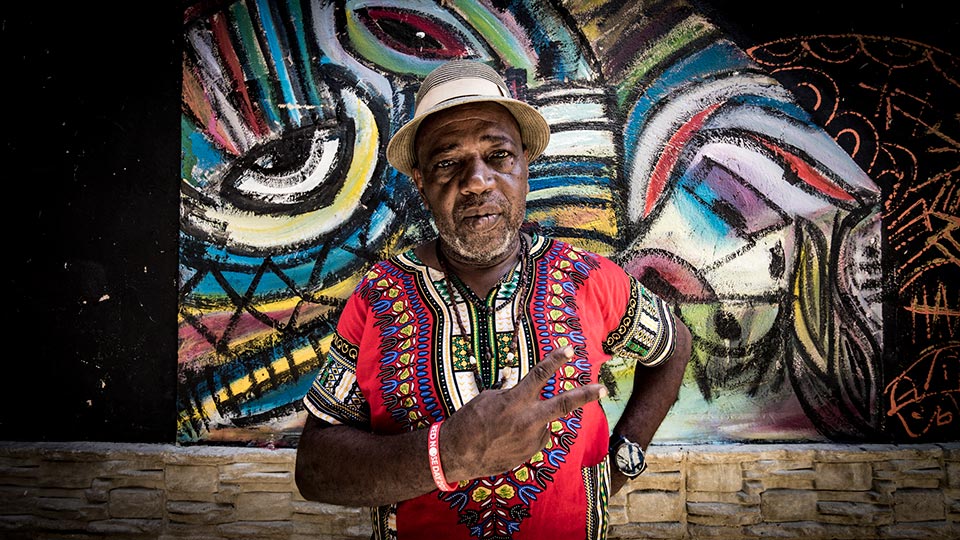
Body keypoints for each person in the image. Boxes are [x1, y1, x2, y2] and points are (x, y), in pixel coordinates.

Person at [295, 59, 692, 539]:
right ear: (421, 181)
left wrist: (624, 459)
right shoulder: (379, 297)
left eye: (499, 155)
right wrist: (449, 454)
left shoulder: (589, 278)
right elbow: (315, 469)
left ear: (525, 163)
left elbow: (673, 347)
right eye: (447, 163)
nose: (478, 180)